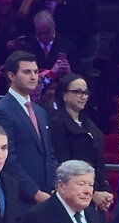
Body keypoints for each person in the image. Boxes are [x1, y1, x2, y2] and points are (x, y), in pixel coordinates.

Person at [0, 50, 56, 211]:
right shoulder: (1, 111)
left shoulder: (40, 111)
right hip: (20, 202)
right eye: (27, 72)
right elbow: (7, 160)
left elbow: (49, 154)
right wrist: (35, 193)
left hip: (46, 197)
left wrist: (53, 186)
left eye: (35, 72)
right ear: (11, 75)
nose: (34, 77)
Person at [49, 73, 114, 211]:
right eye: (77, 92)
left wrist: (104, 189)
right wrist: (93, 193)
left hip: (93, 191)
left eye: (85, 92)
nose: (83, 96)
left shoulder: (89, 124)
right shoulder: (57, 123)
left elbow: (99, 161)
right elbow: (64, 163)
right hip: (74, 193)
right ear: (64, 95)